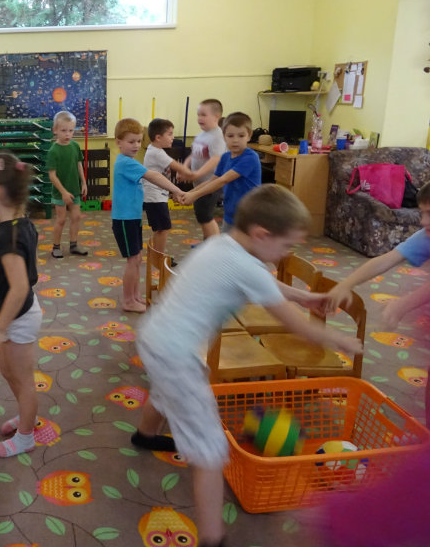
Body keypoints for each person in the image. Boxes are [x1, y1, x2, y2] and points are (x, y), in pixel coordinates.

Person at [132, 184, 362, 547]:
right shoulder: (245, 265)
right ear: (261, 234)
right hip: (174, 351)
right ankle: (213, 538)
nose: (285, 255)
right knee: (210, 450)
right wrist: (341, 340)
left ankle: (144, 436)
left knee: (168, 389)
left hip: (156, 337)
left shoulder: (222, 244)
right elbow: (296, 326)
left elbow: (262, 282)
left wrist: (304, 297)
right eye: (286, 246)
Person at [325, 180, 430, 424]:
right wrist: (345, 284)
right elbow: (387, 259)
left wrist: (403, 304)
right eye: (423, 213)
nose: (424, 221)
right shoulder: (426, 235)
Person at [0, 152, 41, 457]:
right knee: (8, 370)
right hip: (15, 315)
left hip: (19, 317)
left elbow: (20, 287)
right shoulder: (19, 223)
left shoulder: (7, 237)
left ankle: (26, 436)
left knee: (23, 380)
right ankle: (27, 415)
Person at [111, 118, 185, 314]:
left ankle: (135, 297)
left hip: (131, 218)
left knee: (137, 259)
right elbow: (154, 175)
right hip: (124, 219)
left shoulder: (129, 161)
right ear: (118, 142)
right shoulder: (126, 162)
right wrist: (177, 190)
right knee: (133, 260)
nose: (136, 145)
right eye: (131, 141)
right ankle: (128, 300)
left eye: (138, 141)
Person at [180, 112, 261, 230]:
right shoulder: (225, 157)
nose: (235, 140)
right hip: (230, 215)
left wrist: (194, 195)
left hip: (248, 218)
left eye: (241, 135)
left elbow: (223, 180)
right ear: (224, 137)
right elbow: (212, 180)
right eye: (230, 136)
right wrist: (189, 193)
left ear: (249, 136)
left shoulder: (250, 158)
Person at [177, 99, 226, 239]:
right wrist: (184, 167)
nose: (199, 118)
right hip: (198, 184)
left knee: (205, 215)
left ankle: (214, 244)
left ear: (216, 117)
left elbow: (216, 159)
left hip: (210, 184)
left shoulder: (217, 136)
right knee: (201, 215)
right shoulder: (201, 135)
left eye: (203, 115)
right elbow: (194, 154)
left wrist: (197, 173)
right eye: (198, 115)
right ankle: (208, 241)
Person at [142, 118, 193, 254]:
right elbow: (177, 166)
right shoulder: (156, 152)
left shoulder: (156, 150)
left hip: (157, 196)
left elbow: (165, 174)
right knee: (163, 229)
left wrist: (172, 191)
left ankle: (156, 256)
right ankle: (159, 258)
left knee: (161, 229)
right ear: (158, 137)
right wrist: (195, 175)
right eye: (169, 134)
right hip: (155, 198)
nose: (173, 137)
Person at [46, 111, 89, 258]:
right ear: (55, 130)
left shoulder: (75, 146)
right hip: (60, 192)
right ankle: (56, 247)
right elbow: (52, 175)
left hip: (75, 189)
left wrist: (84, 183)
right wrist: (63, 192)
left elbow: (79, 165)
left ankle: (74, 245)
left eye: (71, 130)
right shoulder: (53, 151)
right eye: (63, 130)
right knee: (61, 220)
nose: (67, 134)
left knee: (76, 217)